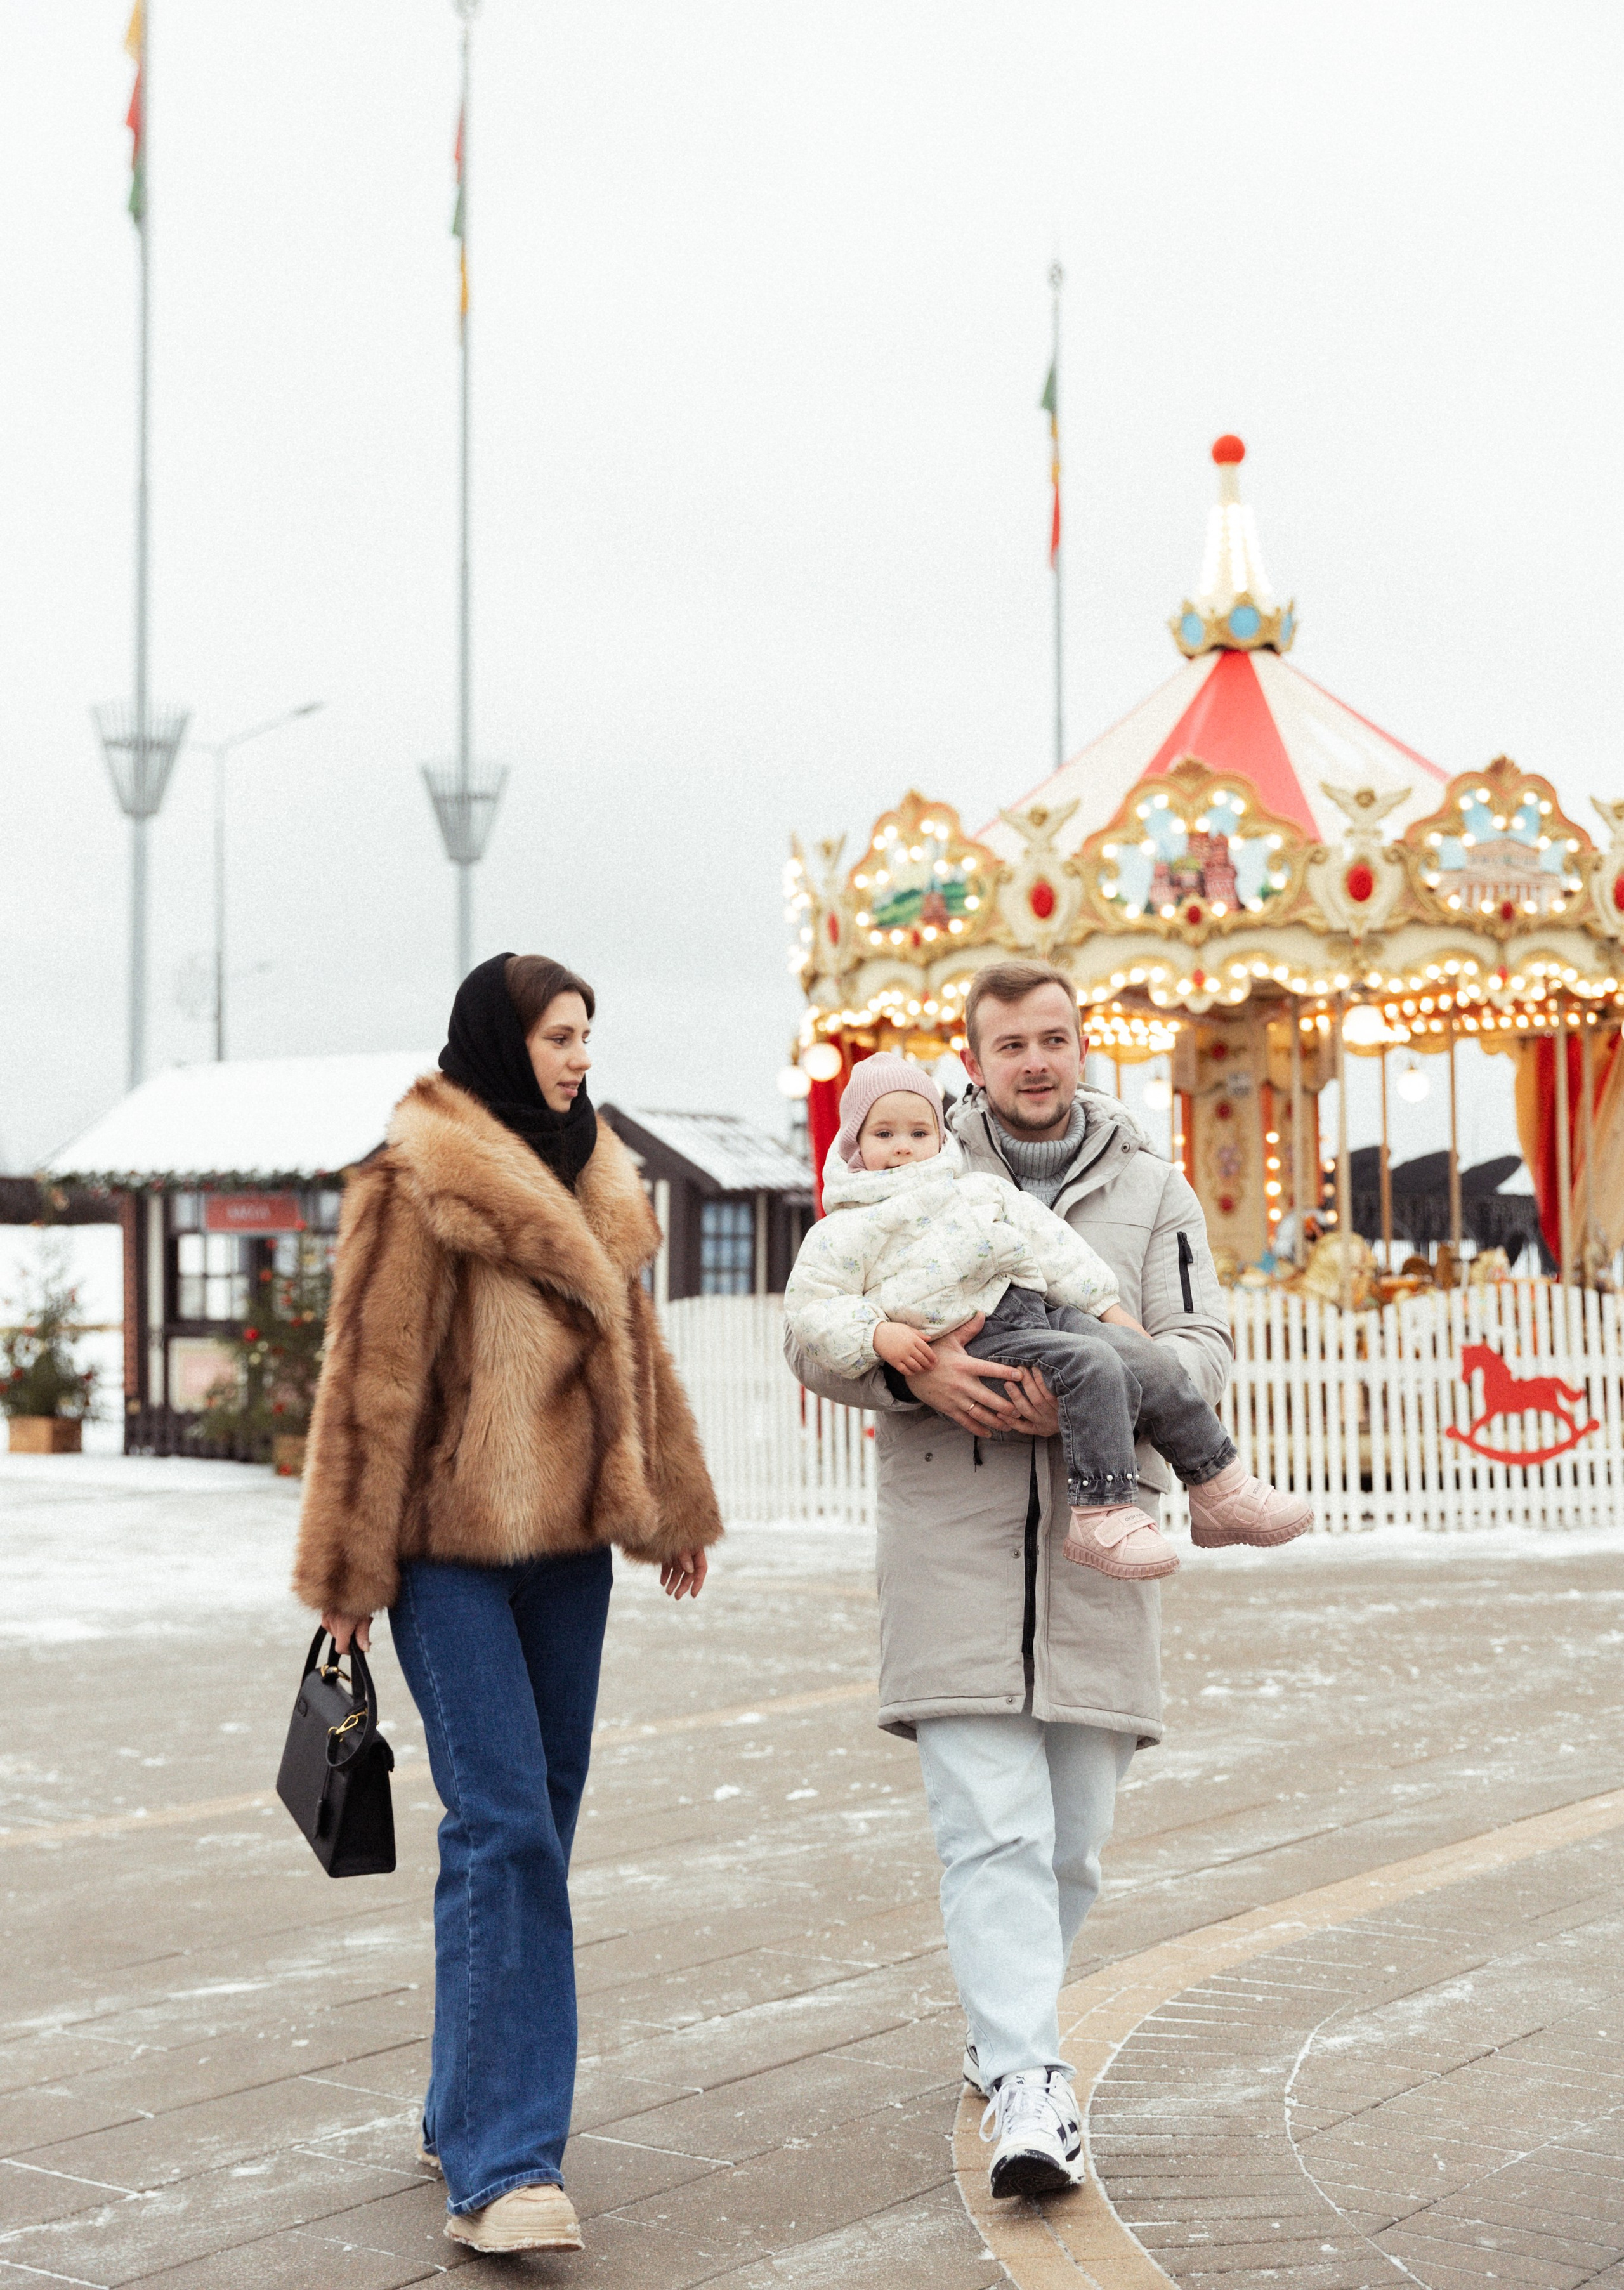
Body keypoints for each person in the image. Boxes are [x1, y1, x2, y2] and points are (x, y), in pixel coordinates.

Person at [784, 960, 1285, 2202]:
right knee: (989, 1828)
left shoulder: (1152, 1188)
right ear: (975, 1057)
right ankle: (1026, 2081)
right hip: (949, 1537)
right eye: (1009, 1044)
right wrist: (917, 1377)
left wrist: (1102, 1368)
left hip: (1099, 1548)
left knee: (1071, 1844)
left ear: (1078, 1044)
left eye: (1054, 1039)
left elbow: (1202, 1342)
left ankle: (1001, 2026)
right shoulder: (903, 1171)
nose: (1035, 1062)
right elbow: (817, 1324)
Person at [293, 952, 723, 2257]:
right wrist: (347, 1578)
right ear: (499, 1038)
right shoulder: (414, 1179)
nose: (578, 1055)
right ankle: (501, 2166)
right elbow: (366, 1382)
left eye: (588, 1032)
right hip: (446, 1554)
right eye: (556, 1034)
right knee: (505, 1829)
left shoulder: (592, 1169)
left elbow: (633, 1353)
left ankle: (461, 2101)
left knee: (533, 1825)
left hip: (568, 1558)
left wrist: (671, 1511)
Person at [784, 1054, 1308, 1580]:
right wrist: (878, 1334)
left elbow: (1054, 1246)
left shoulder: (977, 1189)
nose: (904, 1146)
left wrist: (1108, 1307)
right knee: (1092, 1364)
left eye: (920, 1132)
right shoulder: (843, 1231)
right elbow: (812, 1308)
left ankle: (1220, 1485)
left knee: (1147, 1358)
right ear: (855, 1145)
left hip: (1034, 1309)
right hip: (972, 1337)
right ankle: (1102, 1509)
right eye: (884, 1133)